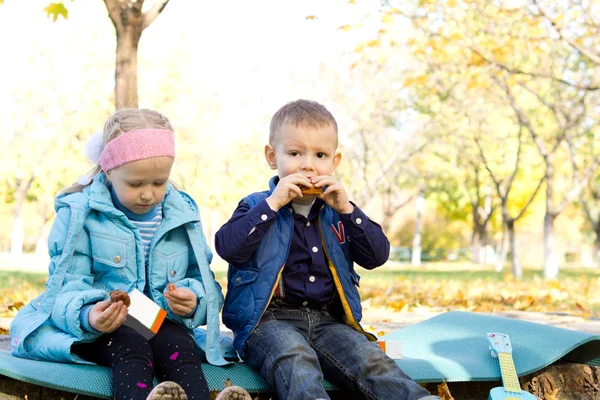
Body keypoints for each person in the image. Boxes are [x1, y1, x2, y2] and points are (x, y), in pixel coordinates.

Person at [10, 109, 251, 400]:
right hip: (100, 326)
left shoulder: (180, 215)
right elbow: (65, 287)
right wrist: (88, 315)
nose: (148, 194)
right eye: (136, 184)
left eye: (159, 182)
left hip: (155, 318)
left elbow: (202, 281)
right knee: (131, 347)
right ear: (109, 170)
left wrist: (193, 300)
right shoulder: (80, 215)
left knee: (180, 347)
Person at [215, 99, 441, 400]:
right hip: (267, 322)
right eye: (295, 153)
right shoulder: (257, 205)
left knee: (371, 361)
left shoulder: (339, 211)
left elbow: (377, 256)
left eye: (320, 155)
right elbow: (229, 248)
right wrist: (273, 204)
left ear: (334, 163)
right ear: (272, 157)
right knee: (296, 359)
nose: (308, 164)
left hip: (327, 321)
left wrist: (348, 210)